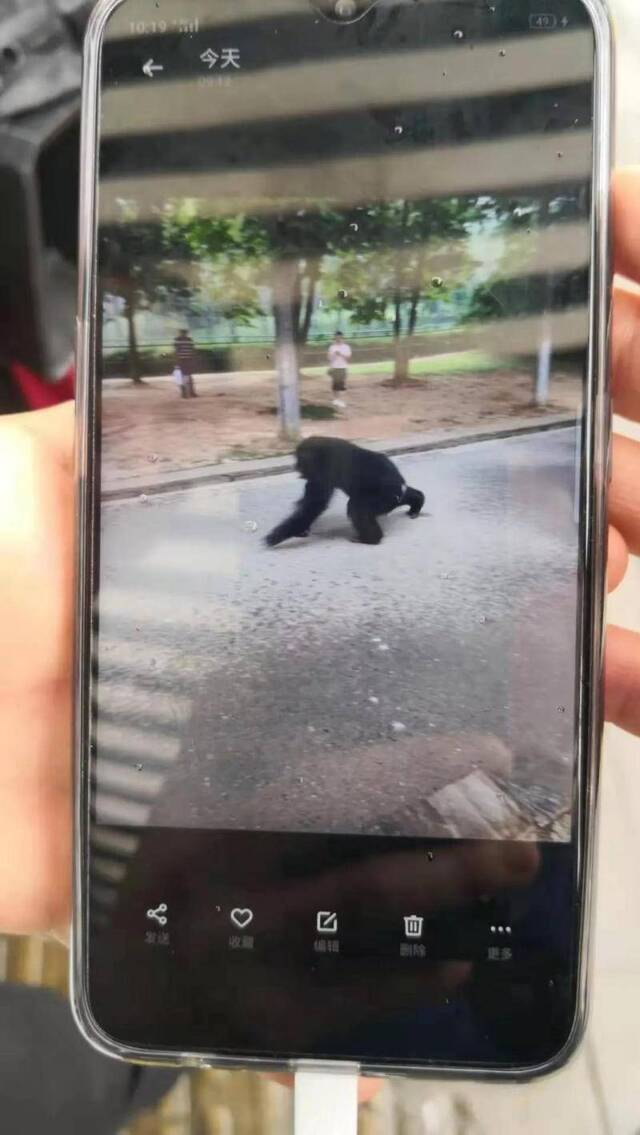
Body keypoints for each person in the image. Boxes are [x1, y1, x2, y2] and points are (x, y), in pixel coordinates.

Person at [0, 169, 639, 1129]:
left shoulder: (334, 465)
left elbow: (316, 504)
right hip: (378, 483)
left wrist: (289, 535)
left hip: (383, 488)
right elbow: (307, 496)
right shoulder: (319, 454)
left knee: (371, 519)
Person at [173, 328, 198, 398]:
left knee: (182, 377)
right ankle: (190, 392)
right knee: (188, 377)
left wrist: (176, 361)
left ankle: (185, 393)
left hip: (182, 360)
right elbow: (193, 350)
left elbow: (176, 351)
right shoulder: (189, 340)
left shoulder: (177, 340)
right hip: (186, 359)